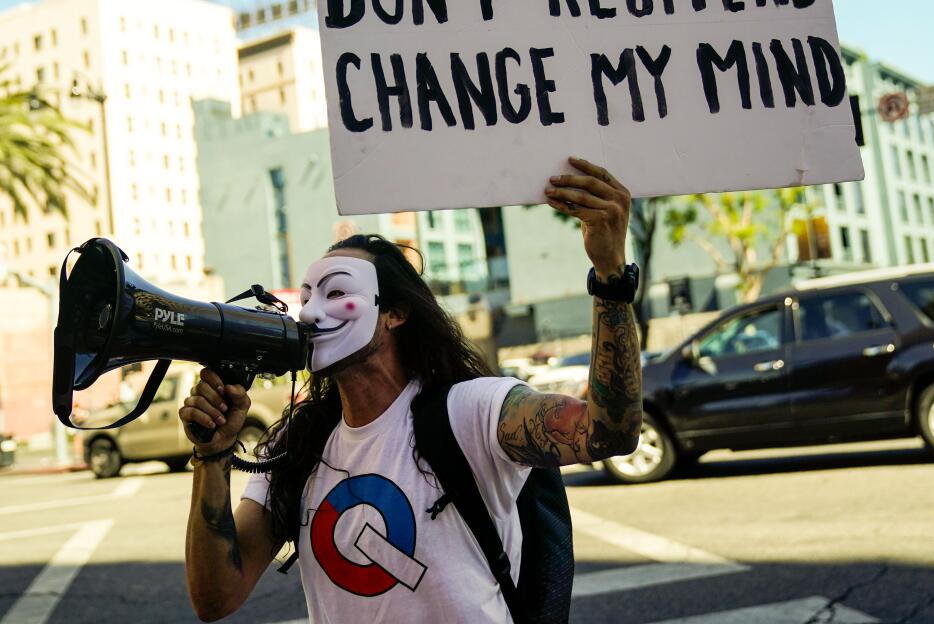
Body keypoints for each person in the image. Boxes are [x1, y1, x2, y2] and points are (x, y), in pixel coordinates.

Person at [181, 156, 644, 623]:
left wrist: (610, 277)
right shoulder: (294, 446)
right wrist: (212, 456)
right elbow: (216, 598)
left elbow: (608, 433)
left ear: (395, 313)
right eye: (307, 298)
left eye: (337, 293)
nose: (309, 315)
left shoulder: (473, 412)